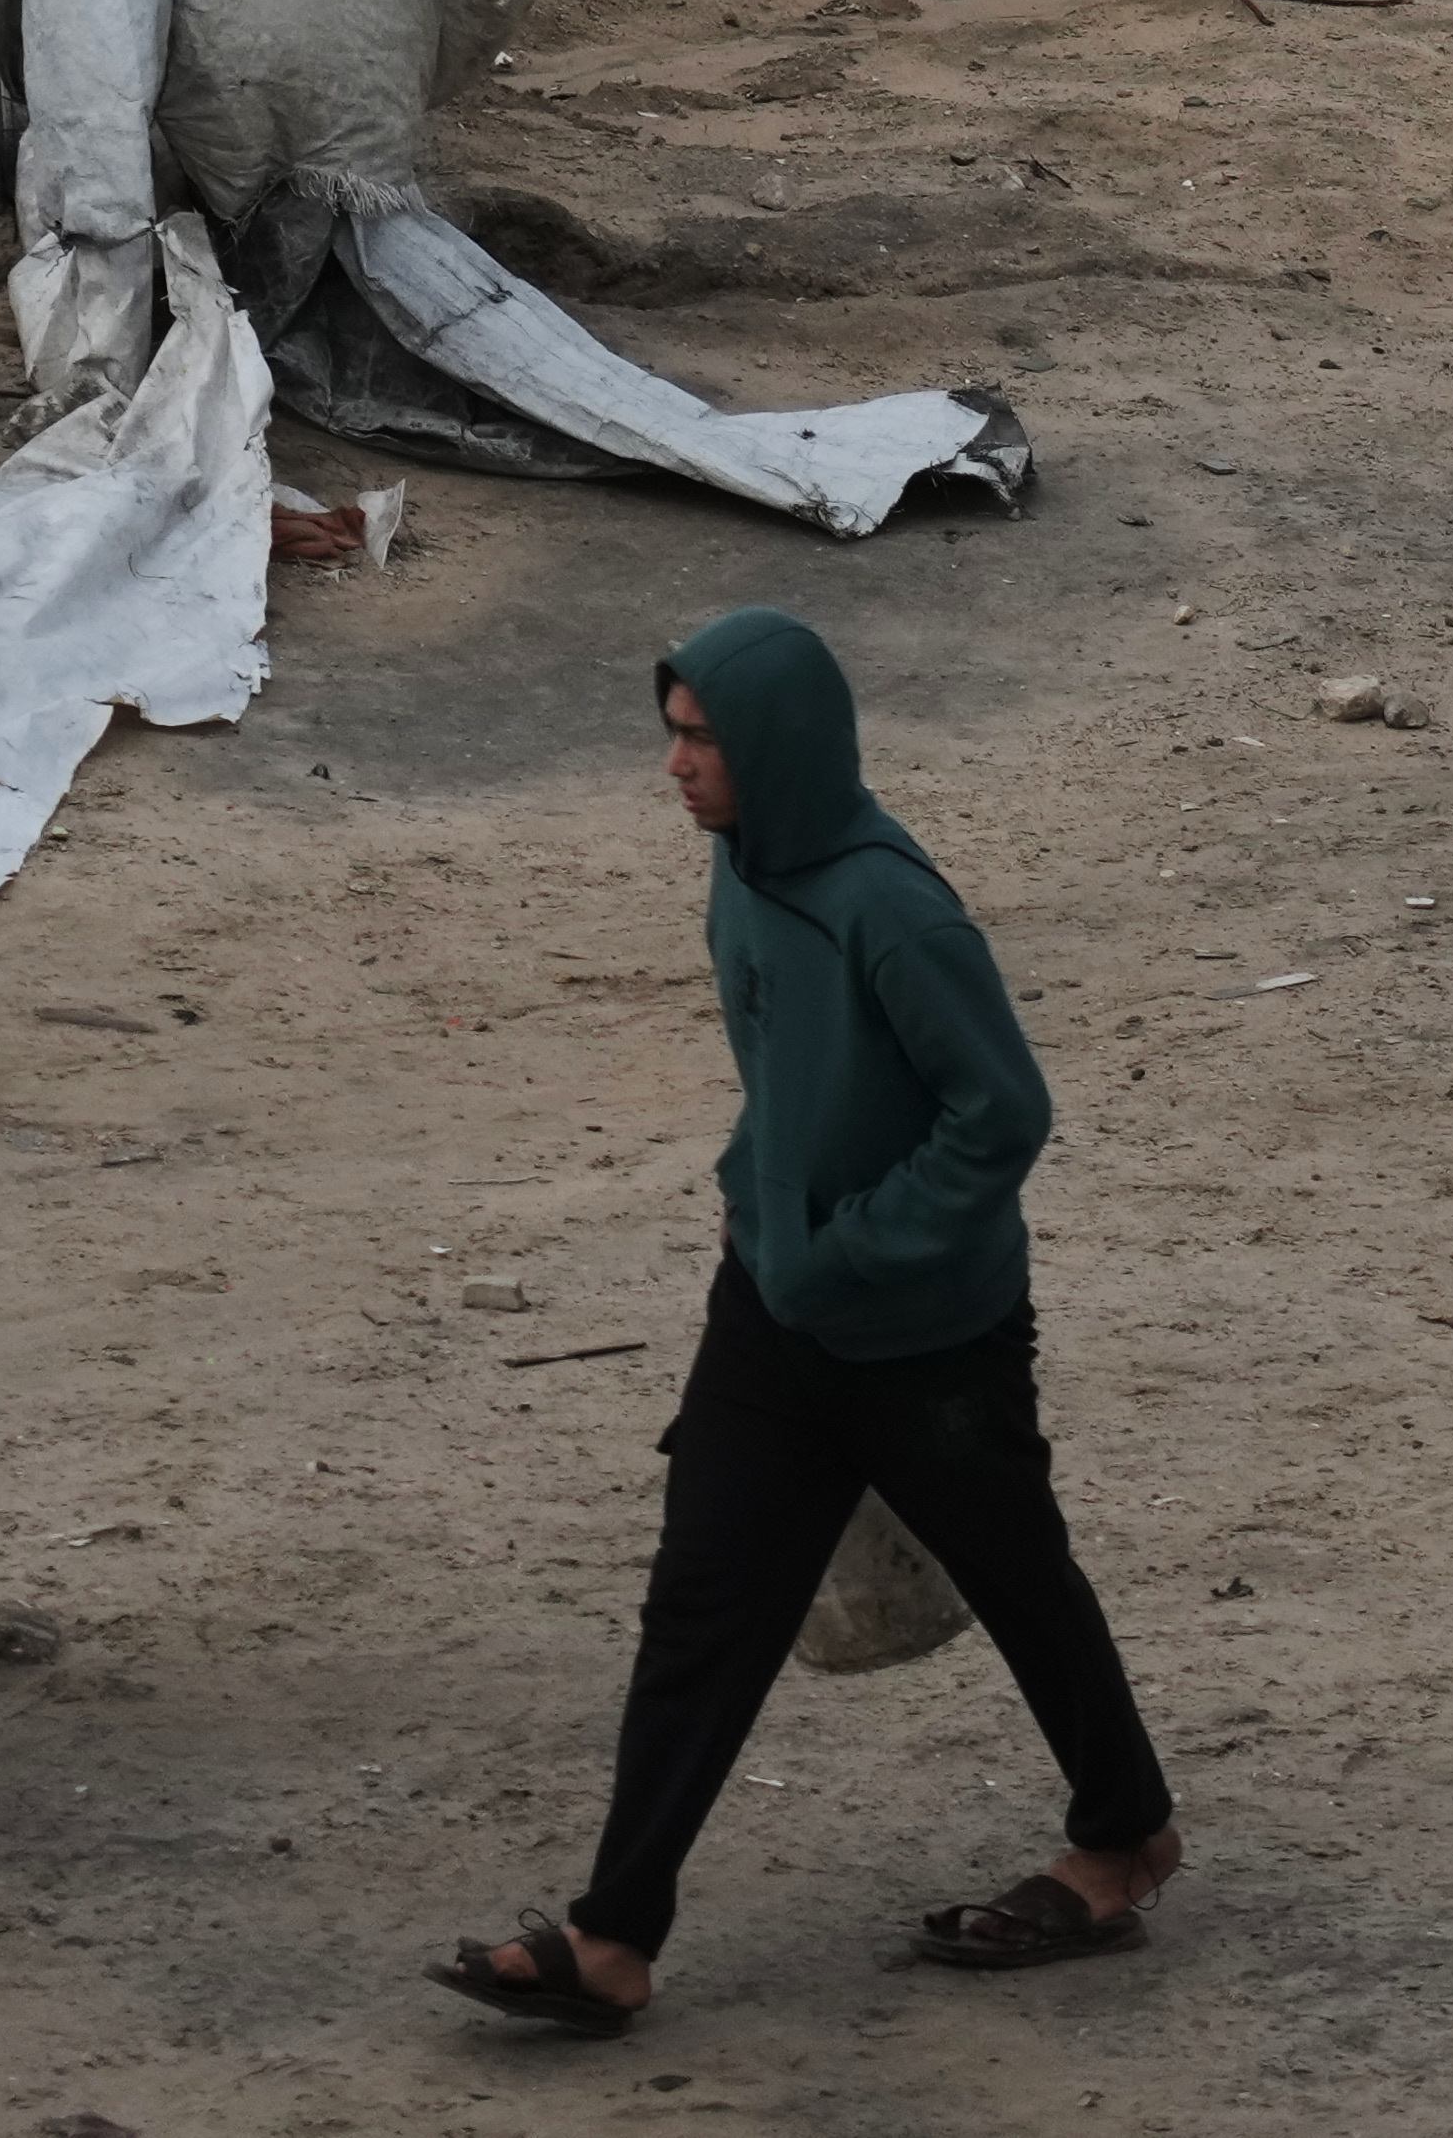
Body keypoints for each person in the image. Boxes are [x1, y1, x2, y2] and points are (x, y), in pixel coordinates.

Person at [437, 611, 1180, 2037]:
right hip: (773, 1302)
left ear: (775, 748)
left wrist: (858, 1246)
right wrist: (757, 1204)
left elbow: (1004, 1111)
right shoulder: (744, 870)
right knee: (704, 1607)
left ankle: (1125, 1835)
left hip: (929, 1332)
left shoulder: (892, 908)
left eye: (701, 738)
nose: (675, 766)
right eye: (669, 731)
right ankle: (614, 1936)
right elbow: (783, 1074)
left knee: (1019, 1576)